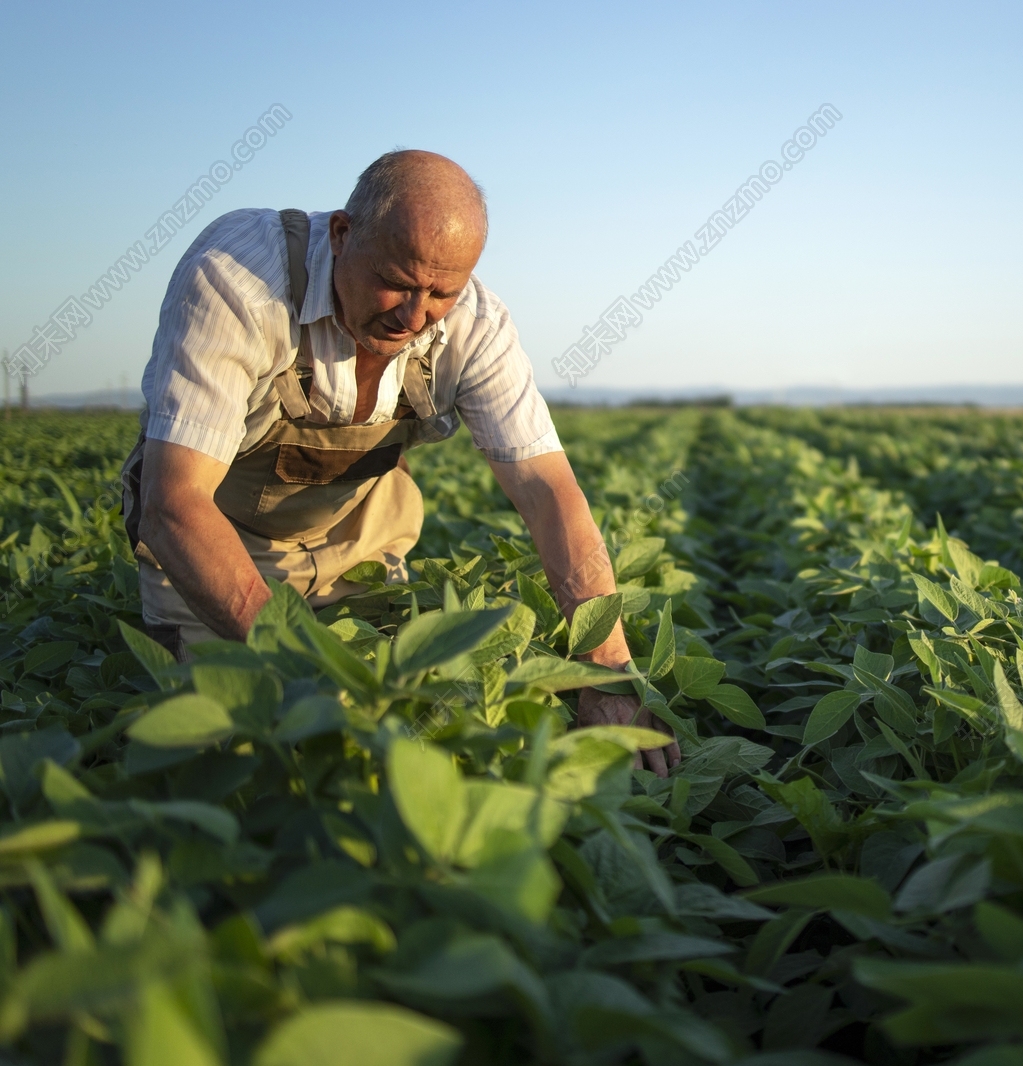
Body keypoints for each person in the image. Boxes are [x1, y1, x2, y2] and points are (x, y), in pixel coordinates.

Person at [121, 150, 680, 775]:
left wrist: (604, 674)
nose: (414, 316)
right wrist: (314, 675)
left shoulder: (476, 325)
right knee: (237, 755)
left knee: (416, 742)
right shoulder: (238, 279)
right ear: (341, 235)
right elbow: (173, 507)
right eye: (397, 280)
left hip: (359, 542)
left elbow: (548, 492)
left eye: (441, 292)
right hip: (215, 548)